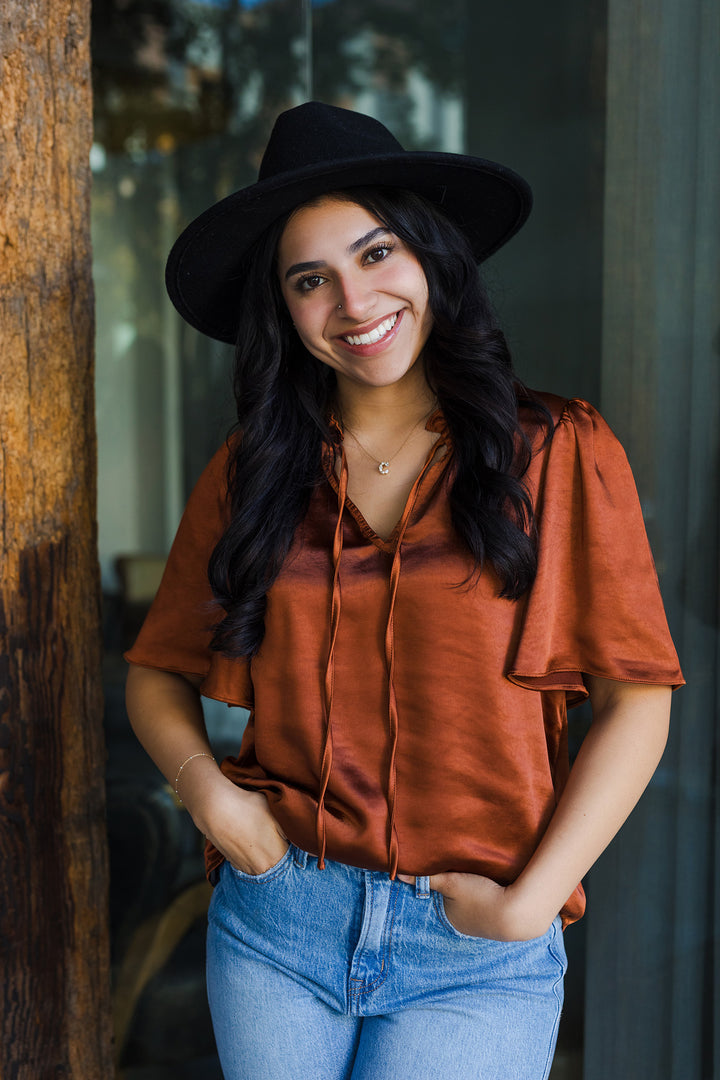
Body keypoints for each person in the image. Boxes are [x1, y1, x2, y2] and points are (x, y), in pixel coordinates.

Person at [125, 102, 683, 1080]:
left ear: (431, 258)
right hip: (277, 925)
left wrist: (529, 904)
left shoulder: (558, 455)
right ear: (284, 310)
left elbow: (638, 702)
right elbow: (155, 673)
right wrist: (215, 803)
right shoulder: (249, 472)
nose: (353, 301)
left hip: (476, 951)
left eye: (377, 254)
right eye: (312, 280)